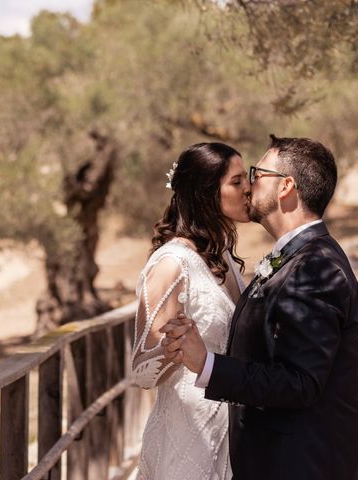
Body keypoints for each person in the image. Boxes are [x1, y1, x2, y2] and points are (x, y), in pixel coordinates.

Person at [162, 135, 358, 480]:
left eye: (256, 173)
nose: (248, 186)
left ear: (285, 187)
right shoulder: (293, 258)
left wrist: (205, 363)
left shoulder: (316, 267)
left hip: (300, 465)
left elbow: (300, 383)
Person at [131, 142, 250, 480]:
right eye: (237, 182)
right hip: (189, 434)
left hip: (231, 432)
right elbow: (140, 370)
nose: (248, 190)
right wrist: (174, 350)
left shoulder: (222, 257)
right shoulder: (172, 264)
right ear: (206, 194)